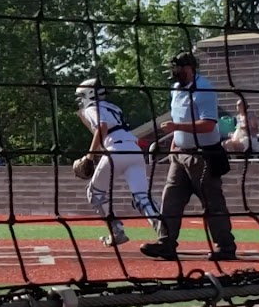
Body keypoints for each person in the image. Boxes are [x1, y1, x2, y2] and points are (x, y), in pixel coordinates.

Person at [141, 52, 237, 261]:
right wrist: (175, 141)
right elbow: (179, 117)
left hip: (203, 156)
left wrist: (177, 127)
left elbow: (208, 124)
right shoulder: (176, 89)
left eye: (180, 68)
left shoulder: (203, 89)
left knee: (212, 203)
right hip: (180, 155)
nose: (176, 73)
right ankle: (166, 243)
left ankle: (226, 246)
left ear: (191, 68)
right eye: (174, 68)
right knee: (170, 200)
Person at [75, 78, 164, 247]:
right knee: (142, 197)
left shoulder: (91, 108)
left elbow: (102, 127)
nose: (80, 100)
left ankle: (116, 232)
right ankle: (164, 231)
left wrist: (89, 156)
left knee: (94, 193)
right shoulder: (113, 107)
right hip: (134, 150)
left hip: (115, 151)